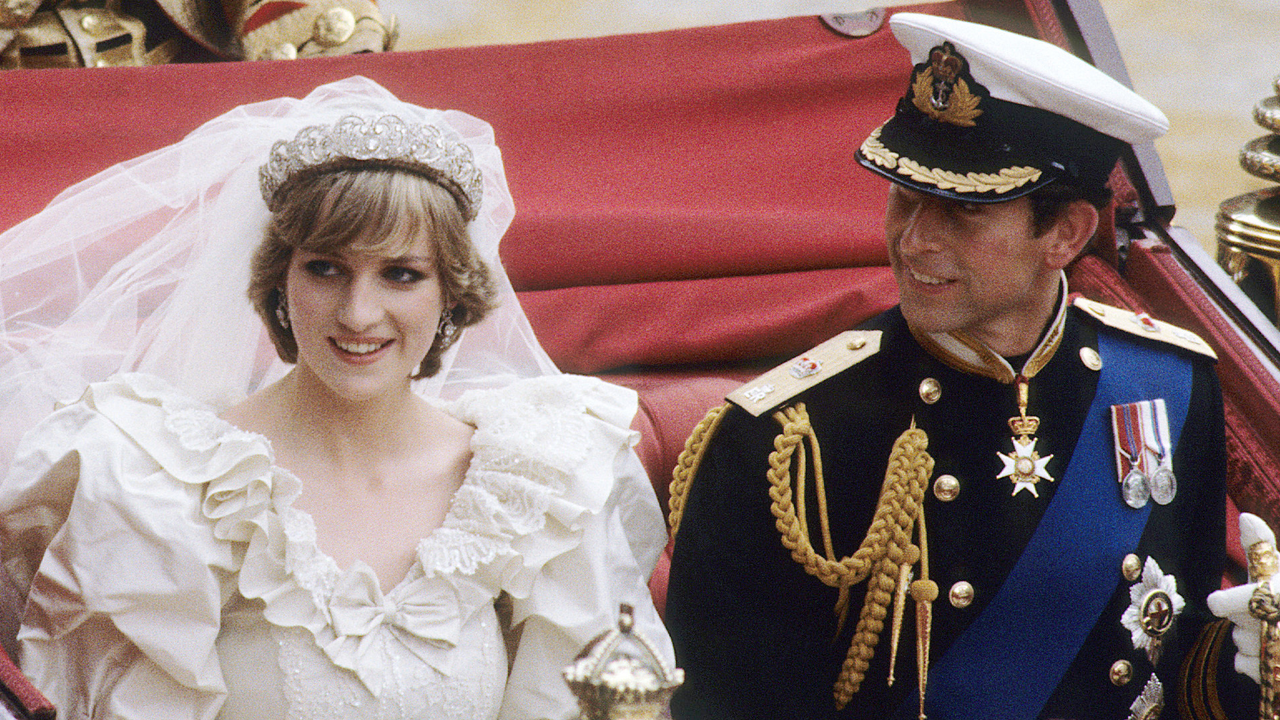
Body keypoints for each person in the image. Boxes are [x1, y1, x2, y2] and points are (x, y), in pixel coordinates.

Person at [0, 76, 672, 720]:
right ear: (279, 281)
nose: (358, 312)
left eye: (401, 275)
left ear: (450, 295)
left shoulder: (531, 479)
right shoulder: (159, 485)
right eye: (326, 268)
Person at [665, 12, 1260, 720]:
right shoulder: (783, 445)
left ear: (1065, 234)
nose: (914, 242)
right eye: (904, 199)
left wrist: (1252, 664)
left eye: (962, 213)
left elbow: (1168, 657)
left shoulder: (1169, 384)